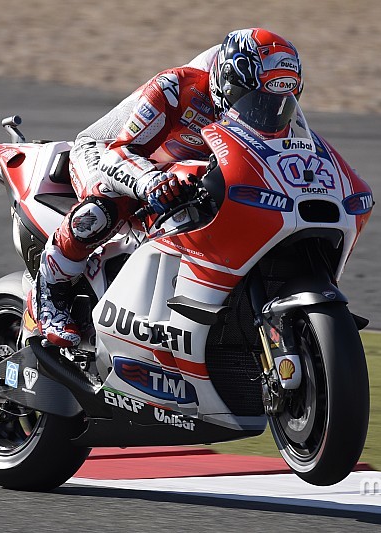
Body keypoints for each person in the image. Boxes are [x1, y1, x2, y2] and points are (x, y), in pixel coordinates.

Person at [29, 28, 304, 348]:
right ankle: (48, 294)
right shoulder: (177, 87)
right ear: (228, 82)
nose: (264, 108)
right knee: (104, 207)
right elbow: (121, 153)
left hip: (184, 171)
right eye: (253, 98)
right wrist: (150, 180)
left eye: (278, 99)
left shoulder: (273, 111)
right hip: (108, 152)